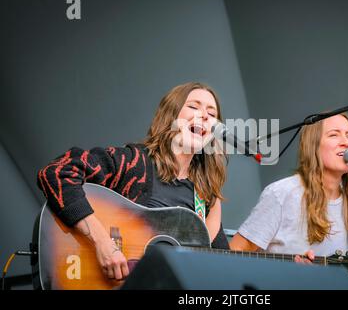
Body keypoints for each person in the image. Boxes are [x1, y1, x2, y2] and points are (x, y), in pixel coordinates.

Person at [37, 82, 229, 281]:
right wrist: (102, 242)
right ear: (170, 115)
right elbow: (56, 172)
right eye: (193, 106)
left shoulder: (206, 193)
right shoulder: (132, 162)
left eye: (212, 114)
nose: (205, 116)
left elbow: (223, 265)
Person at [230, 113, 348, 262]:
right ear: (313, 146)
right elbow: (235, 251)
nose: (346, 143)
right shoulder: (281, 194)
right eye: (334, 135)